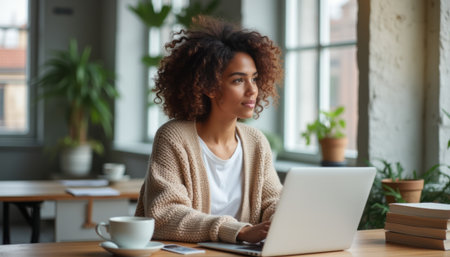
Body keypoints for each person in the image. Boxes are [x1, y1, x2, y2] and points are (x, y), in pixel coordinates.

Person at [135, 16, 284, 244]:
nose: (252, 90)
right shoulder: (174, 137)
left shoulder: (256, 141)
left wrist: (281, 220)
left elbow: (273, 200)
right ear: (209, 86)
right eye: (238, 81)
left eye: (254, 78)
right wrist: (238, 231)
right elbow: (164, 215)